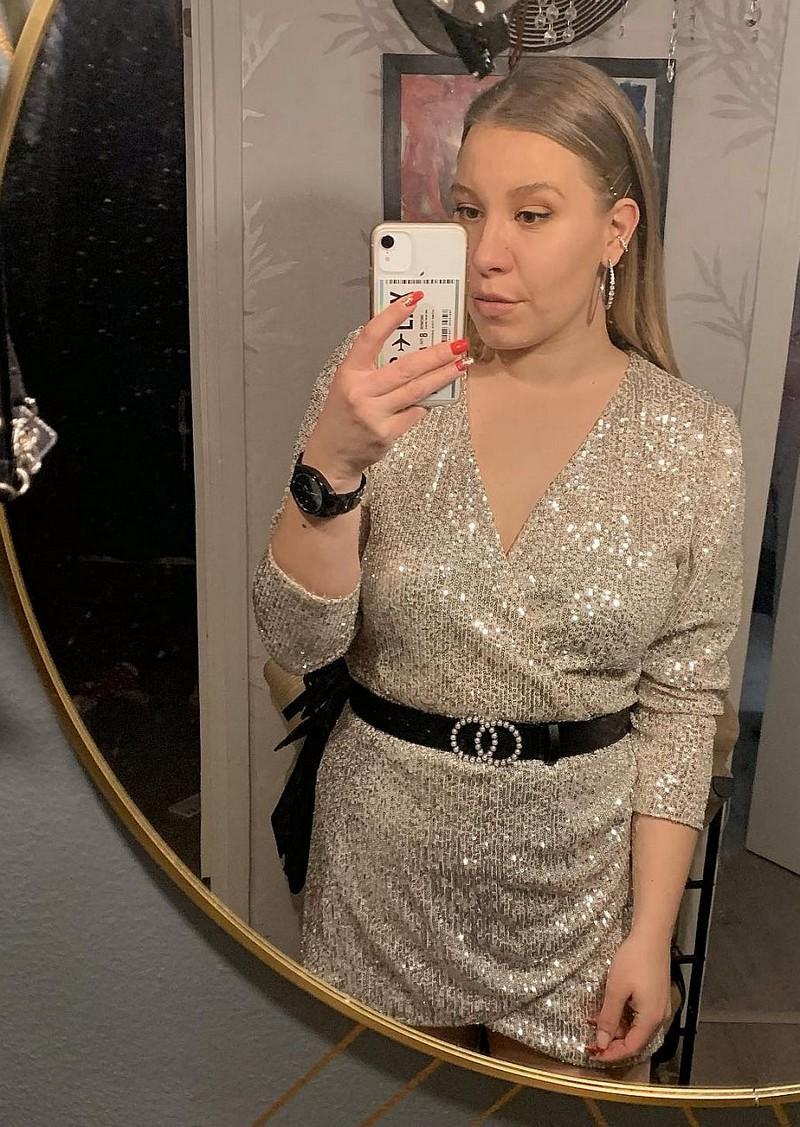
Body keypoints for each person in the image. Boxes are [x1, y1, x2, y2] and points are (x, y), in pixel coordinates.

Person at [252, 57, 746, 1084]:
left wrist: (650, 932)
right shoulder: (382, 385)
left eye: (532, 215)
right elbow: (297, 641)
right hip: (380, 873)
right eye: (469, 210)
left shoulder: (693, 441)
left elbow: (681, 702)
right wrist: (330, 464)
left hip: (574, 896)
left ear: (614, 230)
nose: (487, 254)